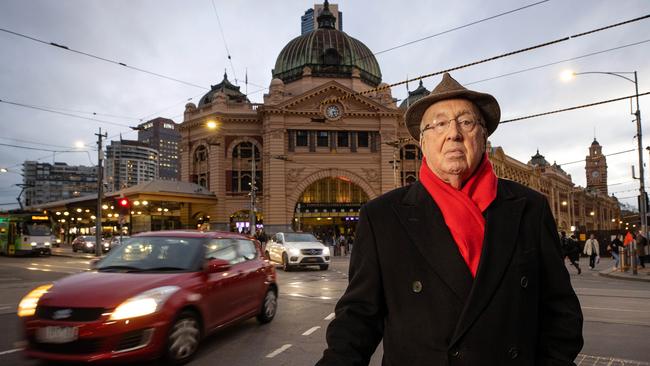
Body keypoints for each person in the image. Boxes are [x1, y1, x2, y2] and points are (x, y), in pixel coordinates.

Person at [316, 73, 583, 366]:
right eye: (439, 124)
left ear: (484, 136)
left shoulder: (529, 208)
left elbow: (561, 311)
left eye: (466, 122)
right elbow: (357, 320)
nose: (453, 133)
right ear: (422, 142)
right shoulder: (382, 217)